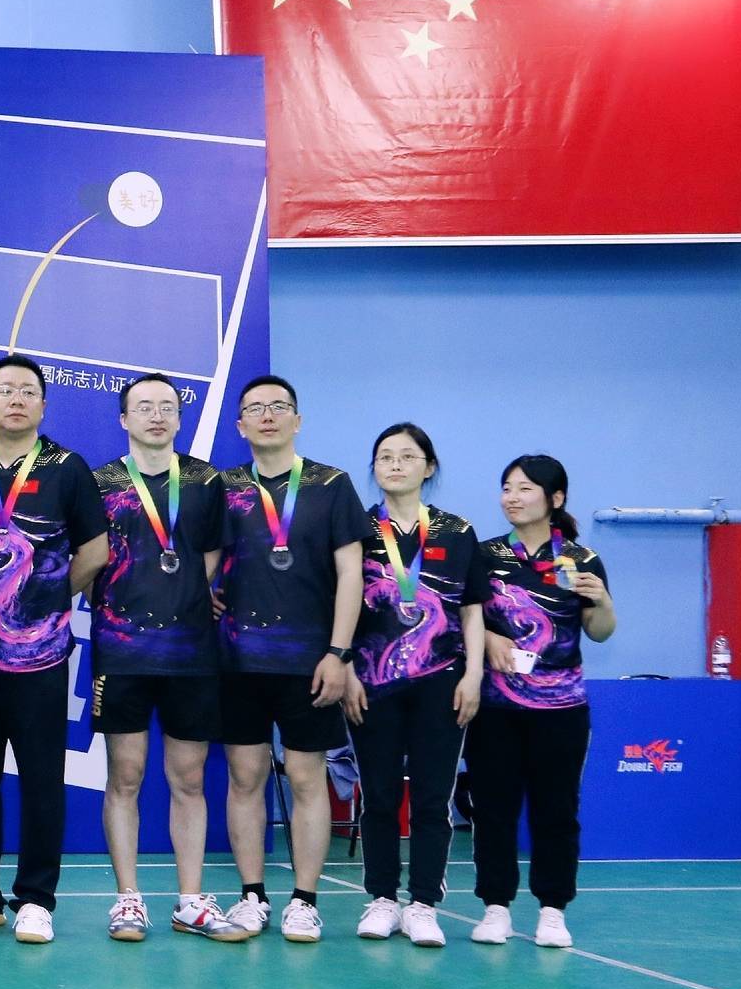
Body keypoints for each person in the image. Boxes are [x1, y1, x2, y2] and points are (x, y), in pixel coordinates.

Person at [0, 355, 108, 943]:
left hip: (42, 656)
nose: (17, 399)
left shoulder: (68, 468)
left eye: (28, 391)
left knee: (41, 778)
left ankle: (36, 898)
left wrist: (47, 600)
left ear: (43, 405)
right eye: (6, 390)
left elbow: (95, 551)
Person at [88, 374, 248, 943]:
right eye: (143, 407)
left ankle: (190, 901)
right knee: (125, 777)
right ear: (123, 419)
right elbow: (88, 556)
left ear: (179, 418)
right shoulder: (100, 482)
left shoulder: (205, 480)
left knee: (188, 778)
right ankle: (128, 900)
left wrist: (188, 596)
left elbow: (211, 553)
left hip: (191, 653)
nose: (156, 415)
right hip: (120, 652)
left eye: (166, 407)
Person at [213, 375, 368, 944]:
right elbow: (203, 558)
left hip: (311, 661)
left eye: (279, 406)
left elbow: (351, 573)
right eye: (255, 408)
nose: (268, 415)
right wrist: (202, 590)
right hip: (237, 660)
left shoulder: (331, 485)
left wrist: (339, 652)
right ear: (240, 425)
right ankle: (251, 896)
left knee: (306, 777)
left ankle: (304, 901)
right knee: (245, 777)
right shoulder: (224, 486)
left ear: (297, 420)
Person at [345, 424, 487, 948]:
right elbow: (338, 604)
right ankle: (382, 899)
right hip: (371, 682)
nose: (396, 465)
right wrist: (347, 671)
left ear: (429, 467)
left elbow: (471, 610)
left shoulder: (457, 531)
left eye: (407, 456)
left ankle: (424, 903)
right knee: (379, 795)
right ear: (374, 468)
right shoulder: (356, 528)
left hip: (442, 683)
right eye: (385, 457)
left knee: (432, 798)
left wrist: (474, 673)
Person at [466, 455, 614, 948]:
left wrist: (603, 601)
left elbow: (599, 631)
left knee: (557, 810)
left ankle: (553, 909)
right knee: (493, 809)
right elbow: (463, 620)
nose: (512, 497)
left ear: (556, 499)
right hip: (495, 707)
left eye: (525, 488)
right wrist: (490, 639)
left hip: (562, 709)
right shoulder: (484, 556)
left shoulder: (581, 560)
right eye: (506, 487)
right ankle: (495, 907)